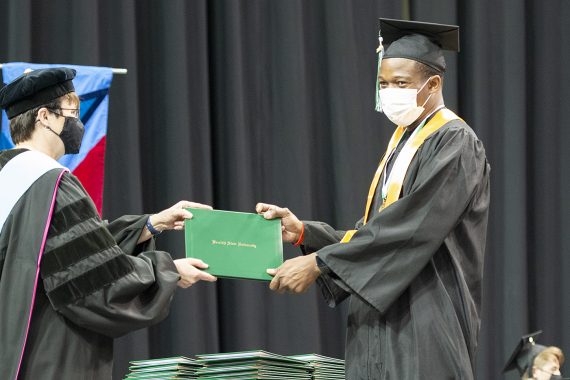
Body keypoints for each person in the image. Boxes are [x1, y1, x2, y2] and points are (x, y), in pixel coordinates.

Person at [257, 18, 490, 379]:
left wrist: (321, 262)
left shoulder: (456, 143)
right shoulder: (401, 143)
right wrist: (305, 233)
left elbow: (410, 229)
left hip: (425, 320)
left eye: (401, 83)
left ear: (433, 84)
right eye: (383, 83)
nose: (389, 91)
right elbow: (374, 233)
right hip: (378, 323)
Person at [0, 67, 217, 379]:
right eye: (72, 112)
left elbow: (69, 248)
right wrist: (168, 270)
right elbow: (93, 281)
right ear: (45, 117)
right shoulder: (51, 183)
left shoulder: (8, 175)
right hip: (46, 356)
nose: (79, 123)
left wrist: (151, 224)